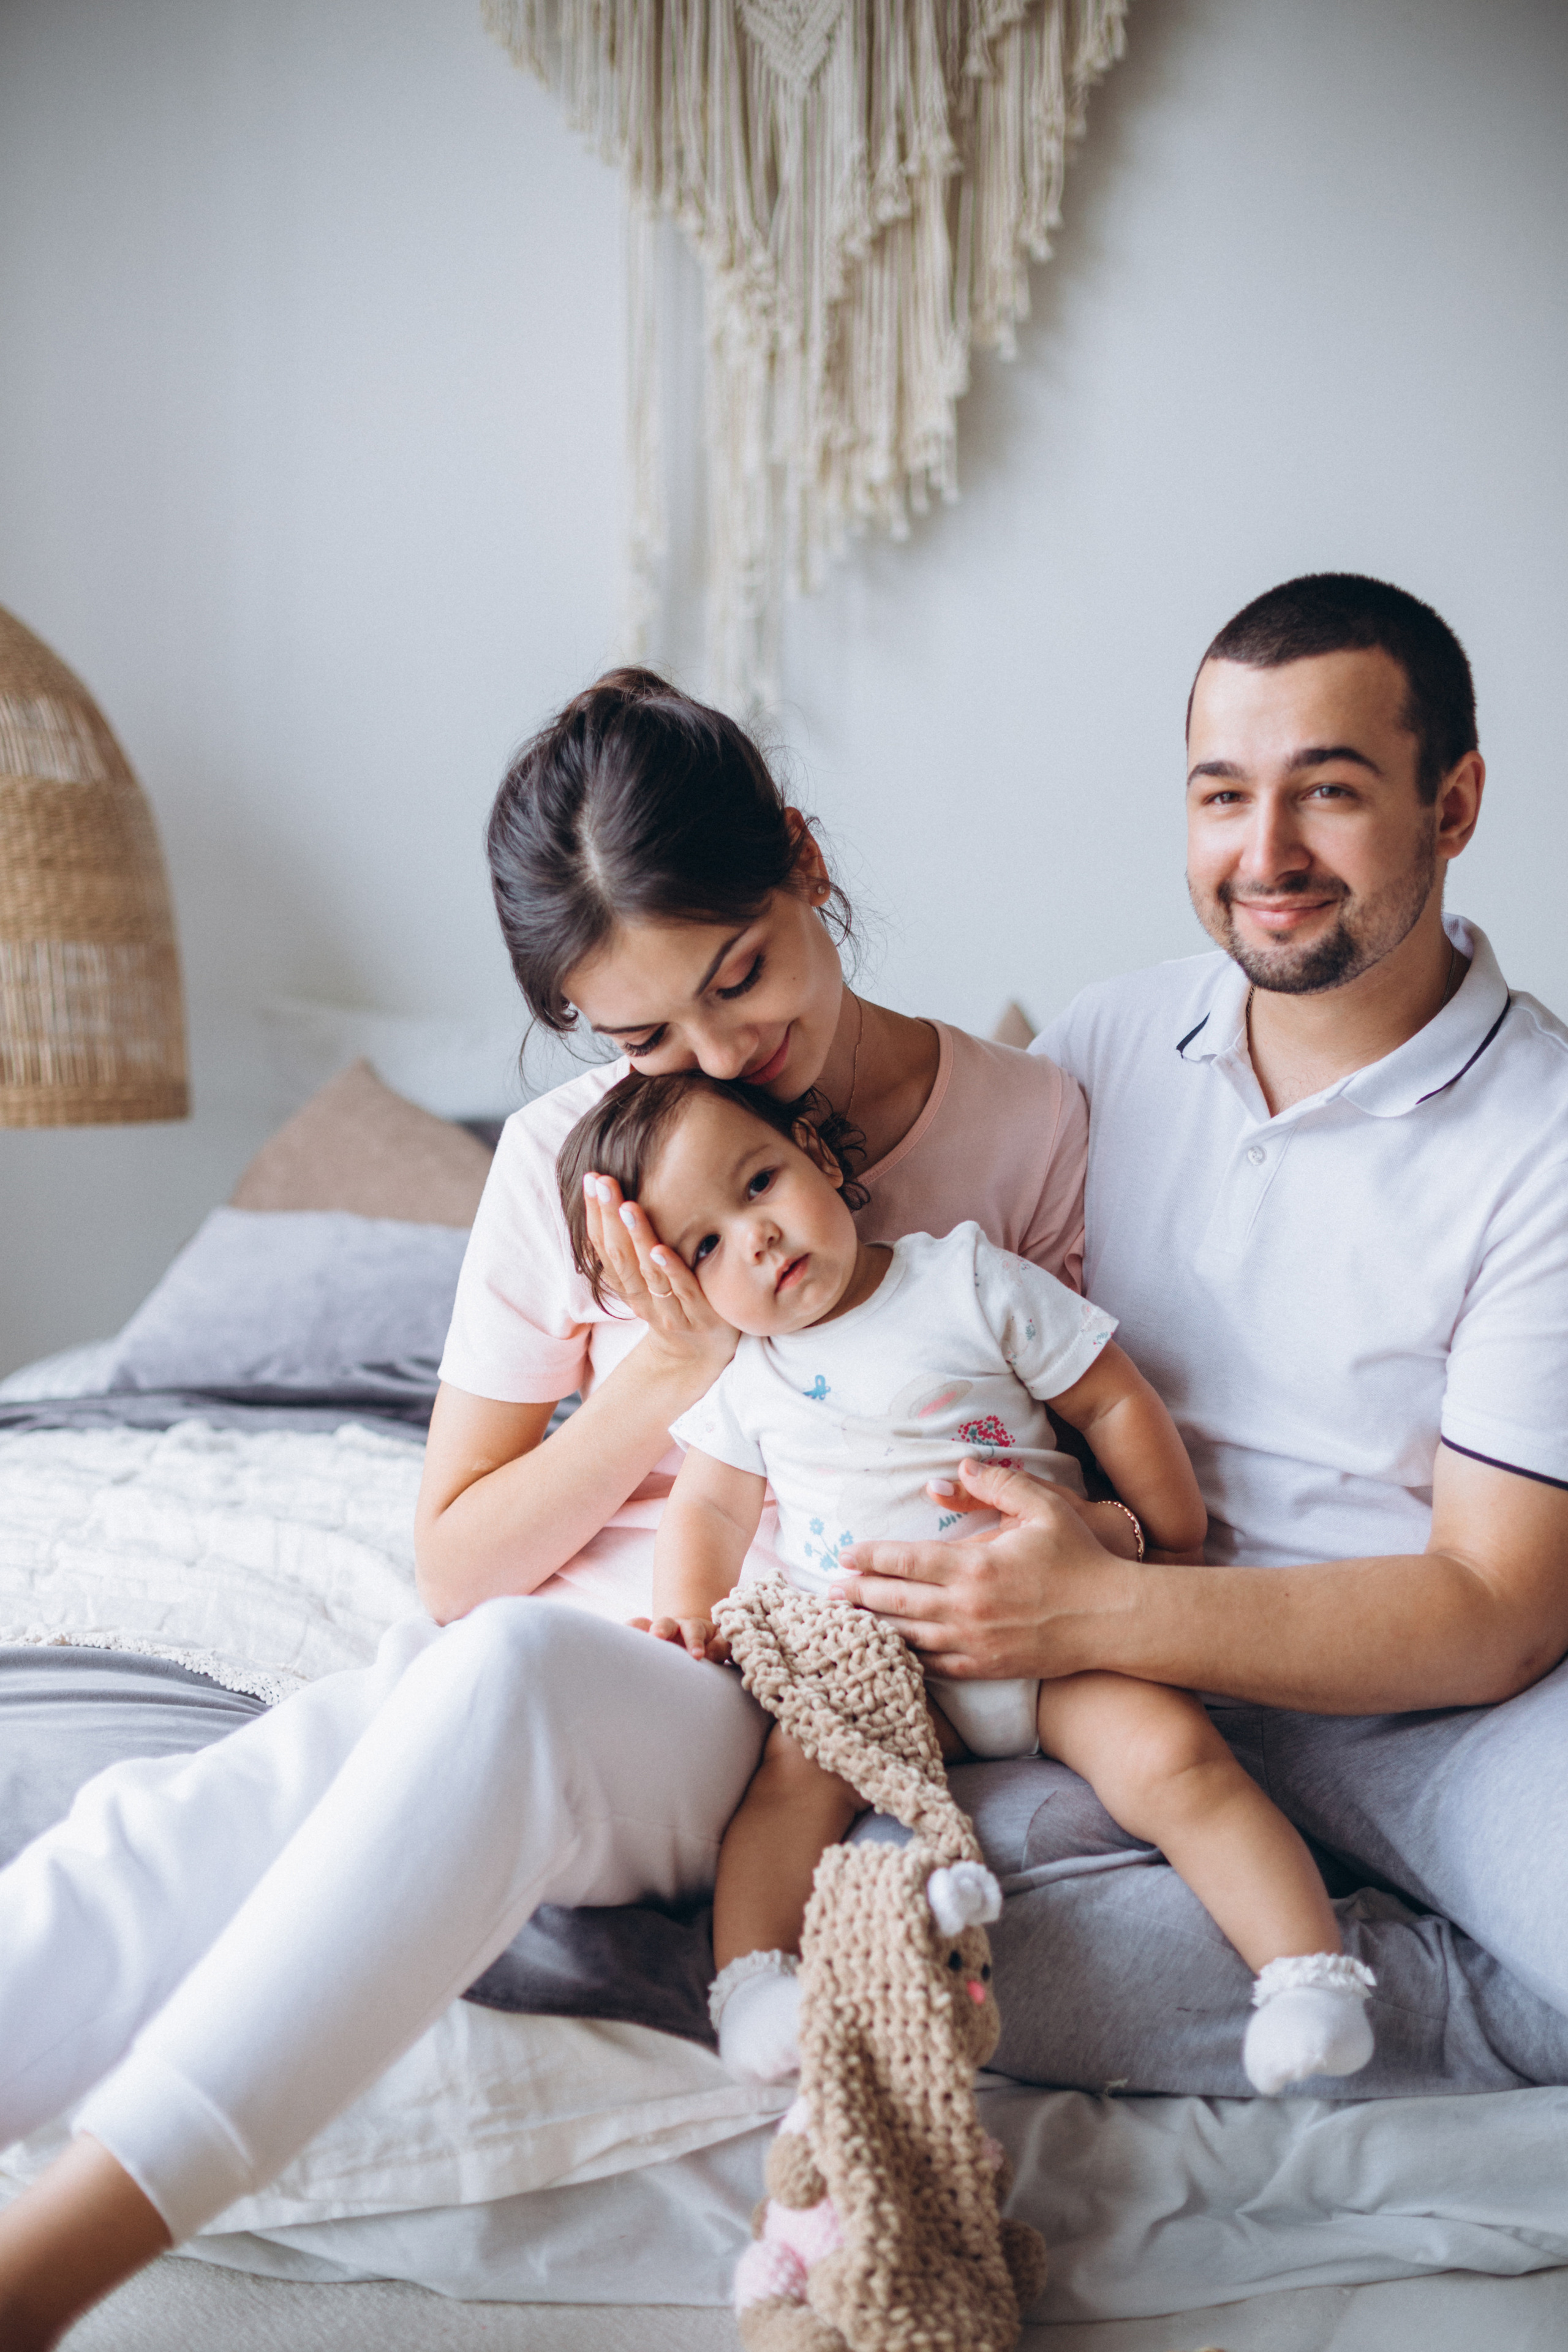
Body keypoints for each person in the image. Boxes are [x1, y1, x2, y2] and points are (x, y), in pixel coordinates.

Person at [0, 668, 1104, 2351]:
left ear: (803, 859)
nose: (726, 1056)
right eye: (649, 1037)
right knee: (207, 1812)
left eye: (742, 976)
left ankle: (45, 2269)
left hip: (773, 1687)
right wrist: (661, 1385)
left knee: (501, 1680)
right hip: (546, 1646)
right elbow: (458, 1558)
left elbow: (1081, 1459)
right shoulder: (557, 1160)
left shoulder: (1027, 1129)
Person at [832, 573, 1568, 2085]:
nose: (1264, 855)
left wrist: (1096, 1613)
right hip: (1122, 1702)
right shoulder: (1107, 1041)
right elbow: (884, 1274)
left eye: (1329, 793)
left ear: (1454, 803)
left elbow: (1495, 1610)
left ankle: (1419, 1981)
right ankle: (1367, 1983)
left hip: (1423, 1703)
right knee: (868, 1915)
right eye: (1220, 795)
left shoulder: (1543, 1135)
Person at [557, 1066, 1377, 2098]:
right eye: (707, 1246)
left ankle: (1306, 1974)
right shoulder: (748, 1376)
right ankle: (755, 1984)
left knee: (1177, 1758)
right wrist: (689, 1616)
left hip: (1056, 1626)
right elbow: (711, 1510)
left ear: (817, 1153)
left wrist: (1170, 1542)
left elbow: (1114, 1401)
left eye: (758, 1183)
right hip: (880, 1657)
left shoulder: (964, 1280)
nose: (755, 1238)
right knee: (788, 1787)